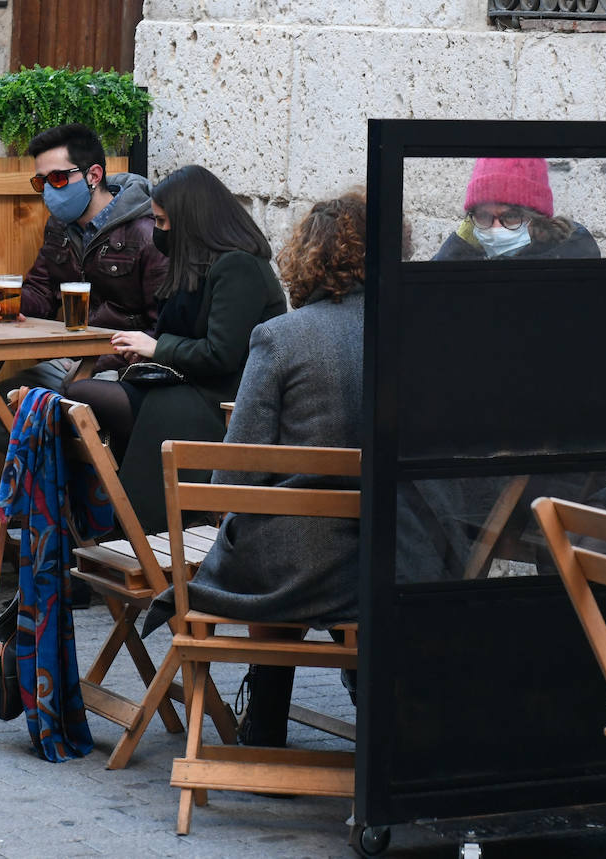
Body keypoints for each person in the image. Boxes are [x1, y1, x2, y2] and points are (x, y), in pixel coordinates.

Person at [145, 192, 367, 747]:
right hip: (382, 559)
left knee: (268, 534)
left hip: (287, 570)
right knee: (296, 536)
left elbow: (234, 480)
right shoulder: (411, 334)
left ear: (307, 256)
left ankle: (266, 720)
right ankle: (371, 701)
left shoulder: (282, 337)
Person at [64, 165, 287, 534]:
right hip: (182, 385)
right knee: (73, 398)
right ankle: (100, 524)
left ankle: (132, 528)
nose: (158, 231)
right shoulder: (196, 265)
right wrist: (148, 353)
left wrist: (158, 347)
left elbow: (222, 354)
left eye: (163, 222)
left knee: (78, 396)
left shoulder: (239, 267)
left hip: (221, 402)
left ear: (192, 221)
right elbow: (177, 335)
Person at [0, 123, 168, 452]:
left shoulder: (146, 232)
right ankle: (62, 489)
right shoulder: (60, 227)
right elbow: (40, 294)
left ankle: (85, 491)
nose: (49, 190)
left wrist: (105, 360)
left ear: (93, 175)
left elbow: (161, 326)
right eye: (41, 181)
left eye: (58, 179)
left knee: (63, 414)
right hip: (69, 364)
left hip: (118, 370)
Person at [432, 157, 599, 261]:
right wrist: (459, 245)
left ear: (538, 218)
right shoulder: (474, 254)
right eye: (483, 215)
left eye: (511, 215)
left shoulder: (571, 258)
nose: (495, 229)